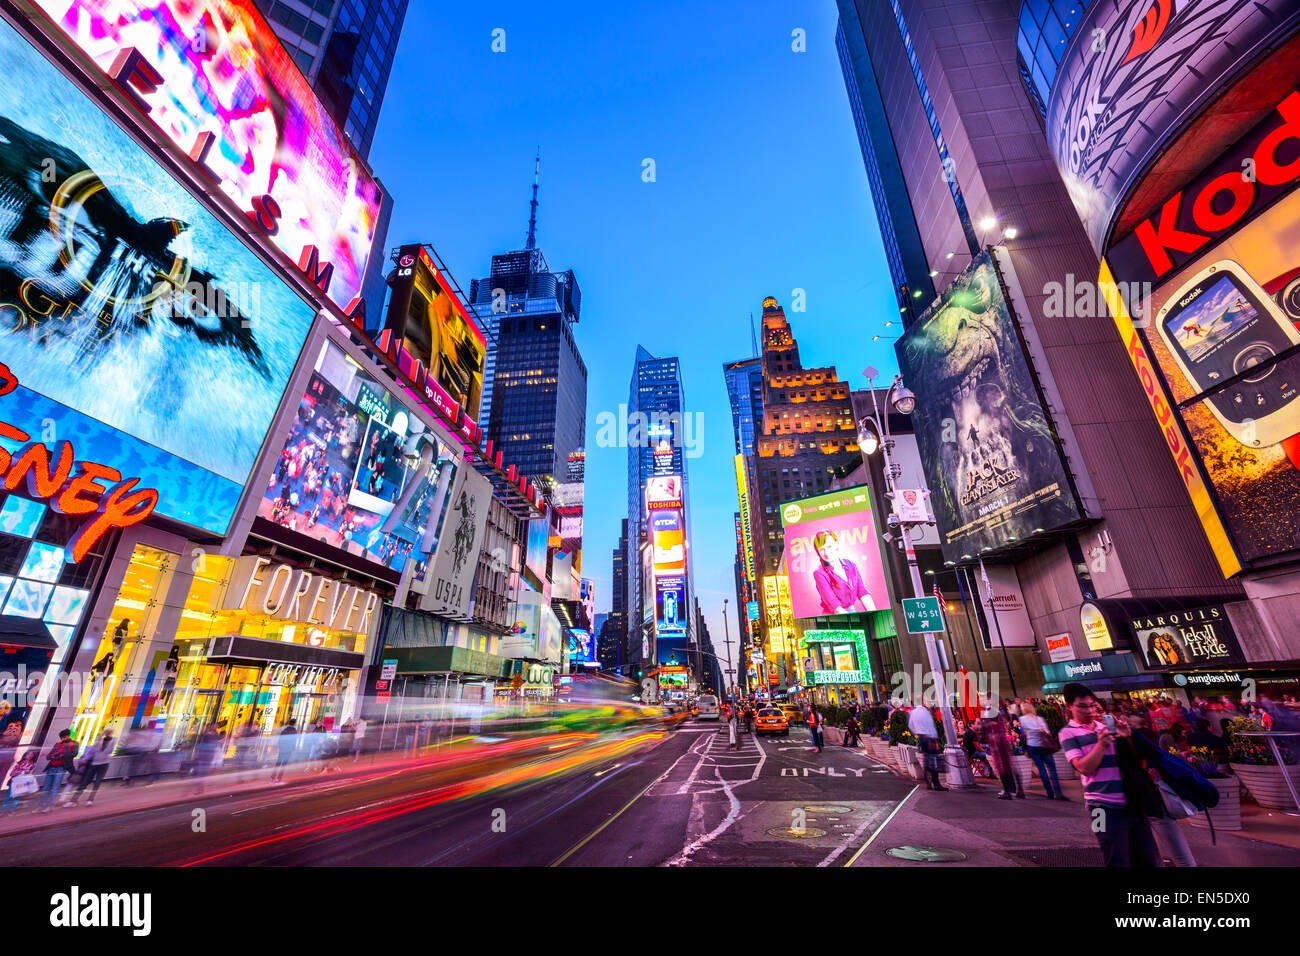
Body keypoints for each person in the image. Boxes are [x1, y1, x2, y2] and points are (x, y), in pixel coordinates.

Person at [1058, 683, 1163, 867]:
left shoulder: (1106, 726)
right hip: (1100, 807)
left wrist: (1129, 737)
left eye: (1092, 705)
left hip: (1131, 800)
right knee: (1116, 858)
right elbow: (1083, 768)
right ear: (1069, 706)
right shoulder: (1067, 733)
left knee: (1148, 860)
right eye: (1082, 706)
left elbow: (1137, 761)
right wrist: (1101, 746)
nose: (1089, 710)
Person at [810, 530, 875, 615]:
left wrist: (874, 615)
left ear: (836, 544)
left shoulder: (850, 564)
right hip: (834, 617)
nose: (826, 553)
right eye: (822, 549)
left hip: (850, 611)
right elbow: (836, 608)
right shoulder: (819, 573)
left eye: (829, 546)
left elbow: (863, 594)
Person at [1019, 702, 1064, 799]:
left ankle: (1050, 793)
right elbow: (1048, 732)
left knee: (1042, 769)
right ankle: (1058, 792)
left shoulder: (1022, 720)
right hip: (1044, 746)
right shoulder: (1039, 719)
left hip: (1032, 746)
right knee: (1052, 769)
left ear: (1024, 710)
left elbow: (1024, 733)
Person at [63, 731, 114, 807]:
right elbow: (96, 743)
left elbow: (108, 751)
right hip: (93, 764)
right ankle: (74, 800)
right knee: (85, 782)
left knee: (97, 783)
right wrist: (102, 733)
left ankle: (90, 800)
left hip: (103, 765)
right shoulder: (97, 743)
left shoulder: (111, 742)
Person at [978, 713, 1019, 799]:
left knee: (1002, 769)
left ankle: (1008, 791)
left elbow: (983, 736)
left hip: (996, 746)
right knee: (1008, 768)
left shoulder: (988, 717)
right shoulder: (998, 716)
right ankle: (1013, 790)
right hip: (1003, 745)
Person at [908, 704, 946, 791]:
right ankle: (936, 784)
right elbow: (931, 726)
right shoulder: (925, 712)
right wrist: (935, 737)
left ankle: (928, 780)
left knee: (927, 759)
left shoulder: (913, 713)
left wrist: (917, 732)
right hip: (930, 737)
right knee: (934, 760)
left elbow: (911, 726)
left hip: (921, 737)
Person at [37, 729, 76, 813]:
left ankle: (50, 807)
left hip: (61, 768)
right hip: (51, 767)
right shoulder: (57, 744)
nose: (62, 739)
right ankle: (42, 806)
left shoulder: (74, 743)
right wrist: (55, 755)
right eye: (61, 738)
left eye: (64, 737)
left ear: (68, 735)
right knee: (46, 788)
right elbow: (49, 755)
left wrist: (60, 754)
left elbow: (74, 754)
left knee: (55, 787)